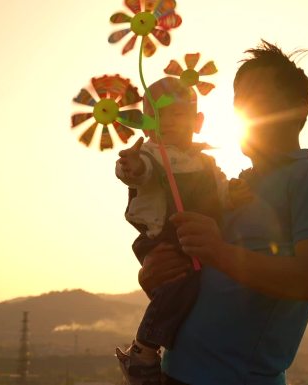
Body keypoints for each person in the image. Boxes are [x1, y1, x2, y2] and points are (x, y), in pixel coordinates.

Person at [138, 40, 308, 385]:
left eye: (260, 99)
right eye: (240, 101)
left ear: (299, 108)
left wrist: (218, 251)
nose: (246, 110)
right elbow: (205, 278)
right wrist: (155, 274)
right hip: (172, 374)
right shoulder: (230, 187)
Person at [114, 77, 250, 385]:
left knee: (192, 288)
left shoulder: (206, 162)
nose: (171, 122)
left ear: (198, 121)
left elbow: (220, 191)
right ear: (148, 126)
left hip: (193, 239)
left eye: (179, 113)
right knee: (179, 285)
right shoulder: (151, 155)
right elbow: (135, 173)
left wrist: (235, 193)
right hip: (162, 235)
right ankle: (143, 350)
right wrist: (130, 165)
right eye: (161, 115)